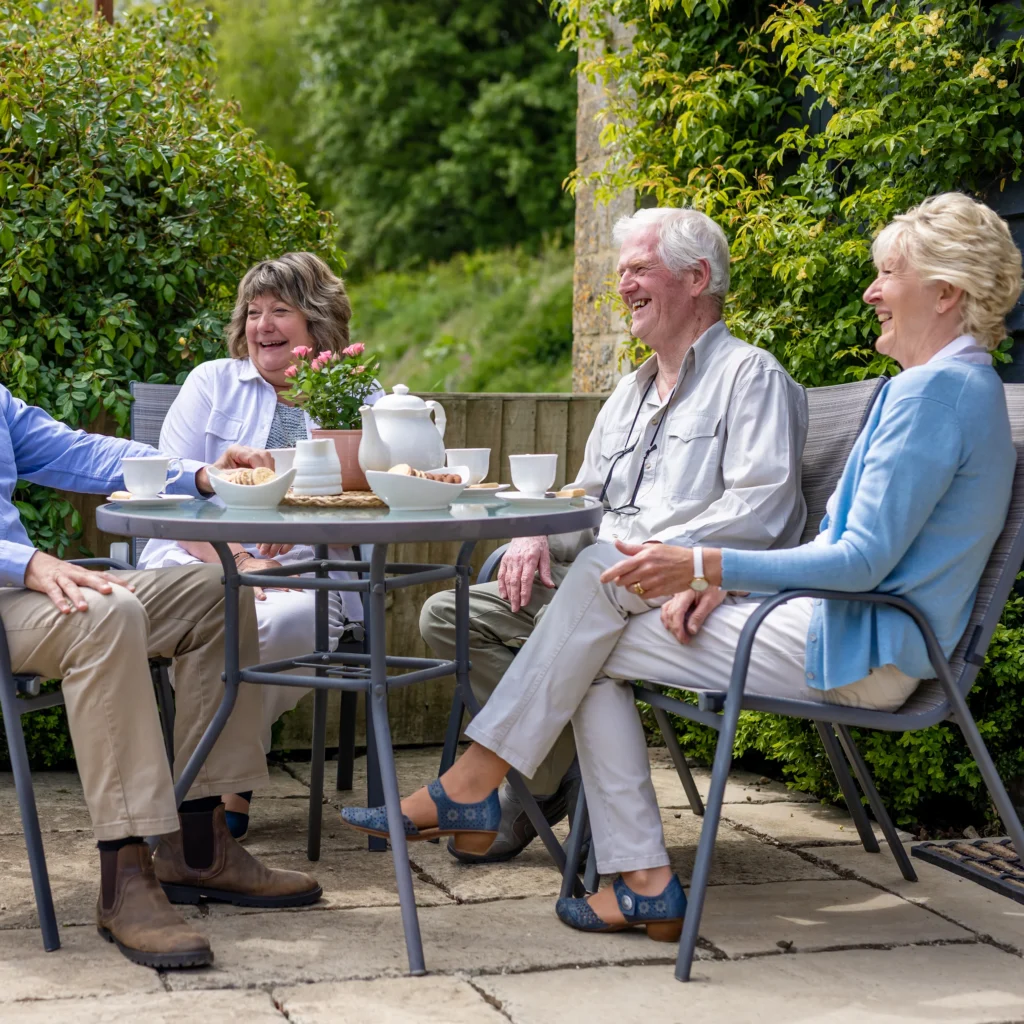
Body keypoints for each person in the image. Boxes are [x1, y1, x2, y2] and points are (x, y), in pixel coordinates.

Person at [344, 192, 1022, 942]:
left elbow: (860, 560)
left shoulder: (935, 395)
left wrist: (702, 564)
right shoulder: (952, 387)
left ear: (946, 291)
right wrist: (716, 576)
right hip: (841, 623)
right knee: (591, 624)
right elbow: (854, 550)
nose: (870, 291)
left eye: (887, 273)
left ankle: (517, 807)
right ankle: (623, 873)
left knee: (591, 621)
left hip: (865, 645)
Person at [419, 207, 808, 862]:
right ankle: (552, 777)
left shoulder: (751, 376)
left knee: (586, 623)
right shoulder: (628, 392)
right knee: (452, 615)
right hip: (601, 585)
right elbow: (586, 494)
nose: (622, 285)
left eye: (637, 269)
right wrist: (535, 532)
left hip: (678, 594)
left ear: (696, 278)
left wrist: (651, 552)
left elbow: (762, 507)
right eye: (620, 271)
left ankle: (518, 784)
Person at [0, 391, 322, 967]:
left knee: (216, 589)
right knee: (105, 615)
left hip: (23, 588)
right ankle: (123, 876)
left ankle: (200, 846)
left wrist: (198, 474)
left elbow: (81, 452)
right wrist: (24, 561)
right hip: (14, 583)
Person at [138, 252, 381, 839]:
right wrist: (242, 558)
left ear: (317, 323)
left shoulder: (359, 398)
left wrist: (299, 530)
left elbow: (377, 497)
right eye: (253, 312)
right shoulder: (212, 383)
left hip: (310, 570)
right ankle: (217, 790)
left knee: (279, 622)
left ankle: (216, 787)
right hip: (197, 556)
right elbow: (171, 491)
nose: (261, 325)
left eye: (280, 311)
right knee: (224, 613)